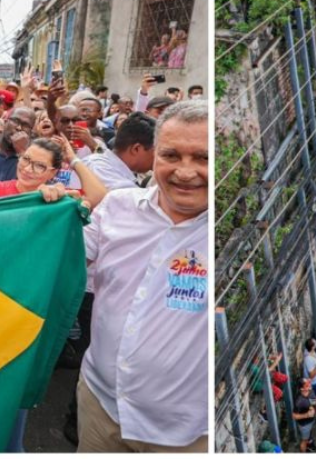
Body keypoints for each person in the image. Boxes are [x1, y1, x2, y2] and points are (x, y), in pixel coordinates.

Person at [76, 101, 208, 452]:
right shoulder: (117, 208)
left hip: (183, 436)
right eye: (171, 155)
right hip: (99, 407)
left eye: (202, 158)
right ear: (153, 156)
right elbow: (60, 258)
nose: (185, 171)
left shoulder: (232, 236)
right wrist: (52, 211)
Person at [0, 137, 107, 209]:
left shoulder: (58, 199)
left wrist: (73, 159)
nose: (27, 169)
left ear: (54, 173)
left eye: (39, 166)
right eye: (26, 159)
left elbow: (98, 196)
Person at [82, 112, 156, 190]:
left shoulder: (104, 165)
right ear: (136, 149)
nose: (158, 157)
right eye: (156, 151)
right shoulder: (103, 171)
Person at [292, 377, 316, 452]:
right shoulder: (299, 401)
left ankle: (310, 444)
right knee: (304, 440)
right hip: (305, 425)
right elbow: (294, 416)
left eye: (309, 383)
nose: (310, 385)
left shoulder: (310, 390)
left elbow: (314, 398)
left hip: (312, 420)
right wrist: (307, 415)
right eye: (307, 385)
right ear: (301, 389)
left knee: (309, 434)